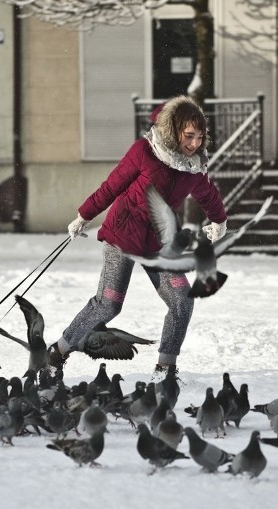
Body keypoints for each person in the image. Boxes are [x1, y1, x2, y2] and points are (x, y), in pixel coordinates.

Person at [47, 95, 229, 380]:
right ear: (174, 131)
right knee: (109, 305)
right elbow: (112, 186)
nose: (195, 143)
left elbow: (208, 194)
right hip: (123, 236)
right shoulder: (144, 151)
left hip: (158, 243)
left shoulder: (194, 167)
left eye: (200, 137)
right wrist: (84, 215)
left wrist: (219, 220)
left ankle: (165, 367)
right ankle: (58, 350)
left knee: (182, 300)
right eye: (189, 136)